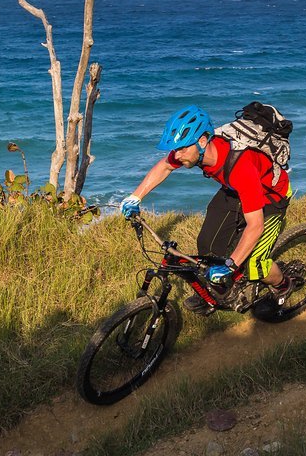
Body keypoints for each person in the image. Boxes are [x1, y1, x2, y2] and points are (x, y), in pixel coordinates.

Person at [121, 105, 293, 314]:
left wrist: (231, 265)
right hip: (235, 190)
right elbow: (165, 166)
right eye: (176, 149)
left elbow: (255, 226)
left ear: (202, 141)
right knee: (207, 244)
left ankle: (283, 285)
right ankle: (216, 293)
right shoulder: (194, 152)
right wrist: (135, 197)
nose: (178, 154)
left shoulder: (241, 167)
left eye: (183, 148)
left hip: (270, 198)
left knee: (256, 265)